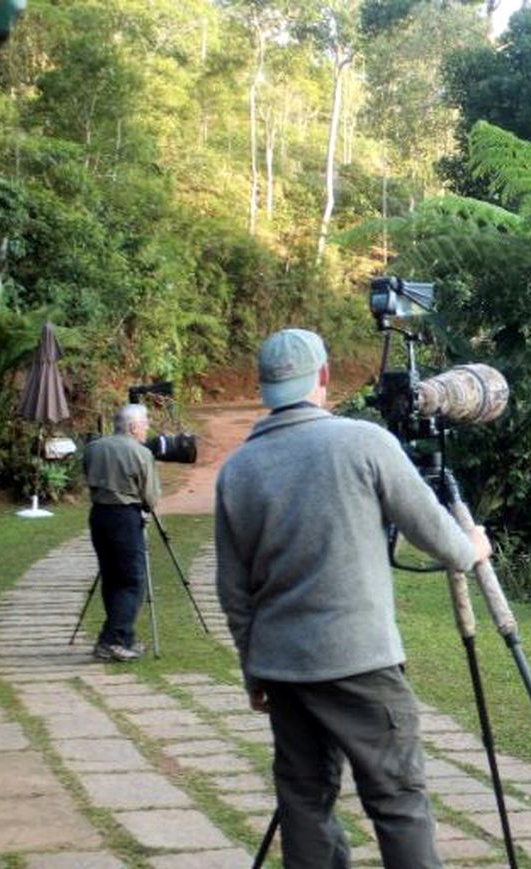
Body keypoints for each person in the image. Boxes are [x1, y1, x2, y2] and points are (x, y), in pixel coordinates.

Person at [215, 328, 492, 868]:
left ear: (264, 387)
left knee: (303, 802)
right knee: (397, 801)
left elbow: (233, 591)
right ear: (322, 378)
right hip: (360, 663)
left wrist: (255, 672)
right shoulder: (364, 442)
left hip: (282, 669)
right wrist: (471, 549)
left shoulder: (237, 470)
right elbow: (432, 533)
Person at [83, 403, 161, 662]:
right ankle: (111, 640)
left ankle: (124, 636)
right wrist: (146, 507)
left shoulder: (94, 447)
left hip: (99, 515)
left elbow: (86, 476)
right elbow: (150, 496)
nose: (147, 428)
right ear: (133, 426)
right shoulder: (140, 452)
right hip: (124, 516)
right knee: (132, 581)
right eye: (145, 423)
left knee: (111, 577)